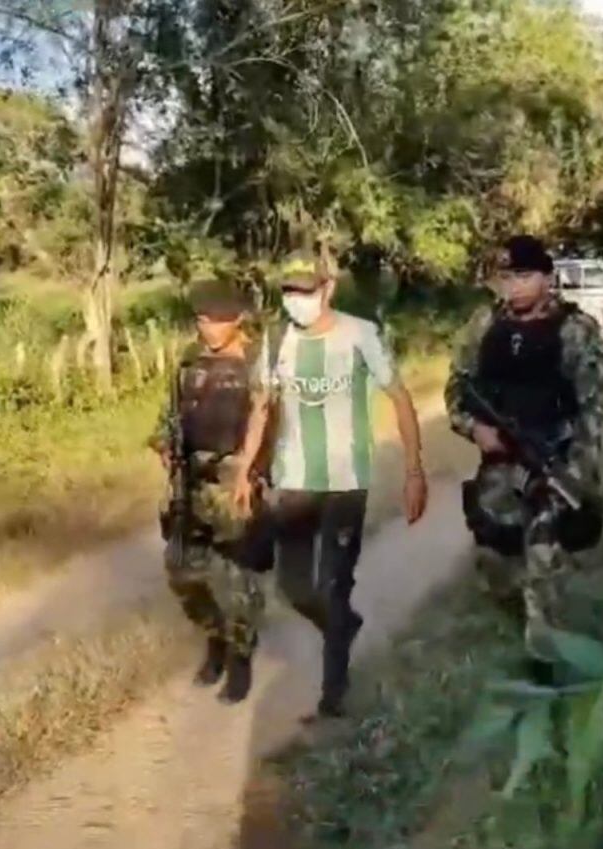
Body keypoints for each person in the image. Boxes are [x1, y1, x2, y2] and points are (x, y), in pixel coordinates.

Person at [235, 256, 429, 720]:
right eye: (288, 291)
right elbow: (263, 406)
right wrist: (245, 469)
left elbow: (399, 397)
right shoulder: (278, 340)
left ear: (328, 290)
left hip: (346, 481)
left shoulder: (360, 334)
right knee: (294, 587)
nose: (295, 301)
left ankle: (333, 695)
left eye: (304, 290)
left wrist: (414, 470)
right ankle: (342, 627)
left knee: (334, 582)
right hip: (294, 478)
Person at [445, 235, 603, 653]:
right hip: (500, 463)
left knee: (542, 558)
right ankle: (518, 616)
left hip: (553, 458)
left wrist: (577, 472)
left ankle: (546, 650)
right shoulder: (483, 327)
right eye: (507, 277)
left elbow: (592, 409)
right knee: (495, 563)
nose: (515, 285)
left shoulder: (576, 330)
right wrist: (474, 430)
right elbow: (457, 390)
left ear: (547, 278)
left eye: (525, 275)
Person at [149, 279, 274, 704]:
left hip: (234, 480)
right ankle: (214, 640)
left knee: (240, 579)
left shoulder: (258, 360)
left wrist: (251, 472)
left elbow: (270, 418)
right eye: (201, 320)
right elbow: (171, 411)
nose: (207, 329)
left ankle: (240, 659)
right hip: (191, 481)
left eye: (216, 321)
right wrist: (165, 443)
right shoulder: (189, 360)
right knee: (182, 572)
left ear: (237, 319)